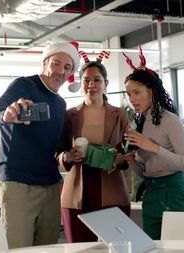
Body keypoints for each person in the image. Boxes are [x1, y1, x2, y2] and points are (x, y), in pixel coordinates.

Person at [0, 41, 80, 248]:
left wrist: (68, 155)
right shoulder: (25, 85)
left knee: (47, 247)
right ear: (45, 63)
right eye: (56, 63)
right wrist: (6, 114)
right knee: (18, 248)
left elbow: (54, 148)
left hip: (50, 186)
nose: (61, 71)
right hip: (19, 184)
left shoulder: (60, 103)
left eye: (67, 67)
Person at [122, 49, 184, 240]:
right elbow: (147, 171)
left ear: (151, 91)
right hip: (152, 194)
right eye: (129, 94)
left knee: (179, 250)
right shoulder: (141, 123)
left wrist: (154, 148)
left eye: (137, 92)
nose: (132, 99)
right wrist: (132, 162)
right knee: (152, 249)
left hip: (176, 194)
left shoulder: (170, 120)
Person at [57, 60, 133, 243]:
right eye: (86, 80)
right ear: (80, 84)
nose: (91, 85)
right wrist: (67, 156)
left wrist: (119, 160)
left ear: (106, 84)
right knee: (79, 248)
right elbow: (58, 153)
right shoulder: (69, 115)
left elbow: (129, 150)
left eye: (97, 80)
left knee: (119, 246)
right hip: (77, 191)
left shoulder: (120, 114)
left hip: (112, 187)